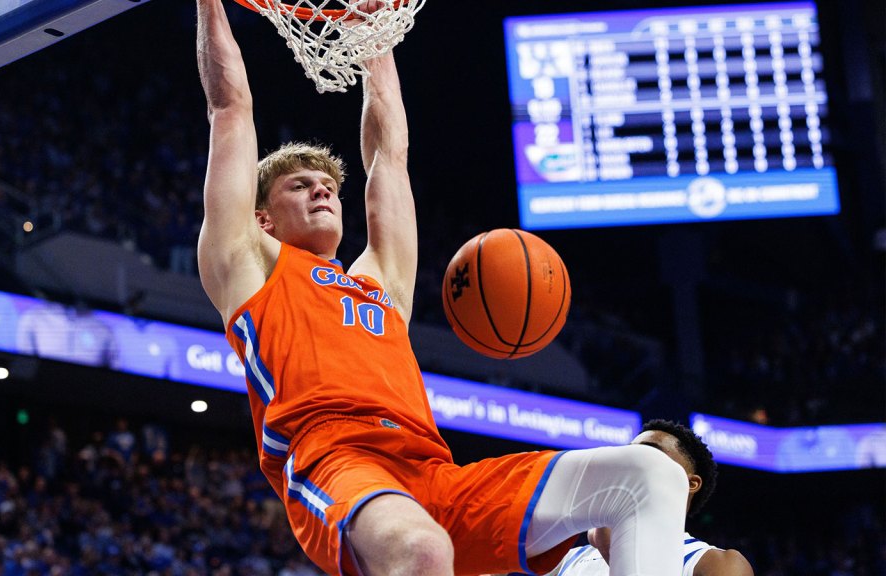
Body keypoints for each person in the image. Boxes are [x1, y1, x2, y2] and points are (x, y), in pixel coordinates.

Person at [195, 1, 689, 574]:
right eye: (300, 185)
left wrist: (374, 32)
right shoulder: (248, 264)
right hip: (338, 461)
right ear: (261, 218)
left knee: (649, 473)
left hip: (434, 473)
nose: (322, 191)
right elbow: (230, 107)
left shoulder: (376, 284)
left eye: (329, 184)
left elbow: (389, 155)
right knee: (424, 551)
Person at [546, 420, 754, 576]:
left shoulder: (717, 564)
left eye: (649, 454)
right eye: (630, 454)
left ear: (690, 483)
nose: (633, 461)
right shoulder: (566, 560)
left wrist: (613, 552)